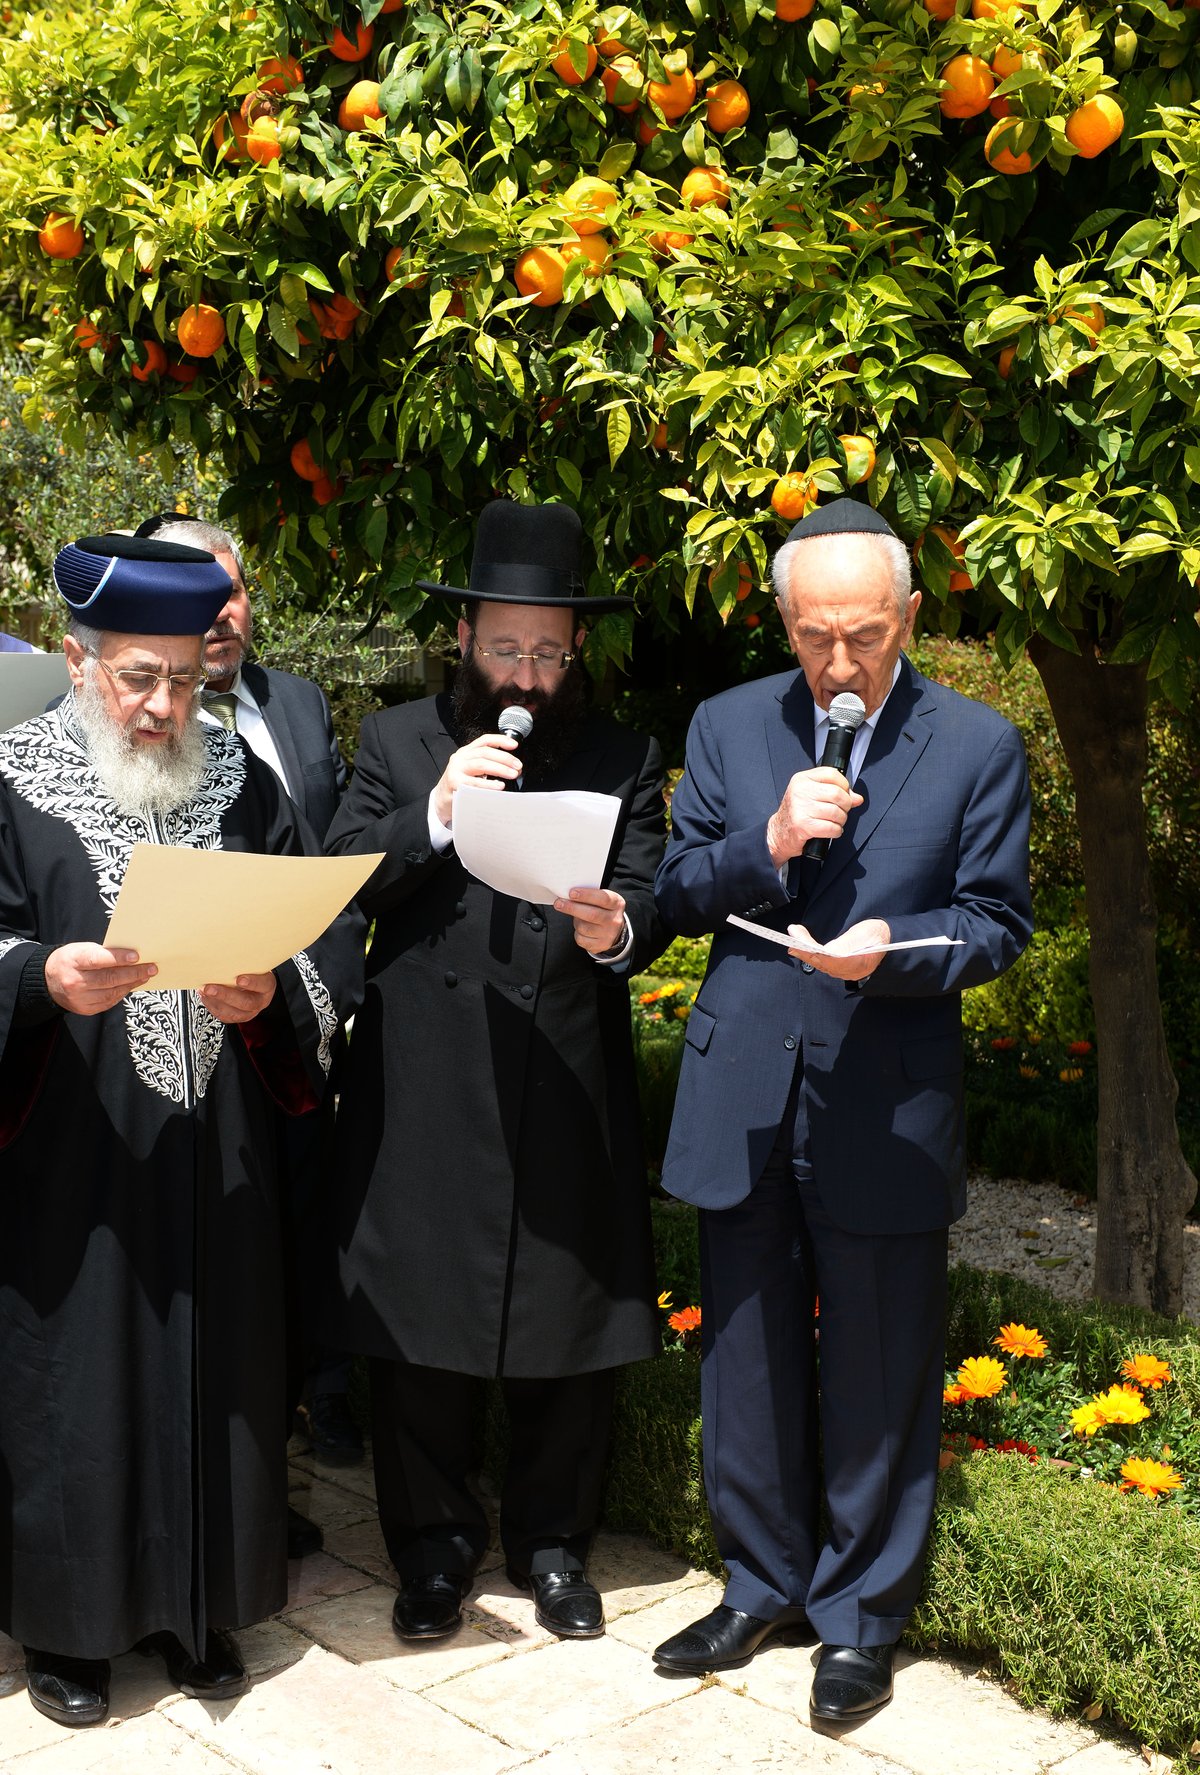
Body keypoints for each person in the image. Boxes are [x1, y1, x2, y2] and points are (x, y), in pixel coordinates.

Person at [651, 499, 1032, 1722]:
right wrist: (767, 841)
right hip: (745, 1082)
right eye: (814, 634)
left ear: (910, 617)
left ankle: (860, 1615)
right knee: (745, 1353)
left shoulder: (978, 744)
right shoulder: (727, 723)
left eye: (864, 633)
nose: (838, 662)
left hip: (885, 1092)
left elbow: (996, 922)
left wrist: (898, 951)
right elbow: (677, 887)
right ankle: (759, 1581)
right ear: (782, 620)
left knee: (877, 1361)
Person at [0, 533, 361, 1729]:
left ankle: (200, 1608)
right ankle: (70, 1628)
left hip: (216, 1151)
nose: (163, 707)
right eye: (135, 677)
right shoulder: (8, 777)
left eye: (185, 681)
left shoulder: (241, 785)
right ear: (76, 658)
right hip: (67, 1157)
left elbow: (313, 945)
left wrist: (273, 994)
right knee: (76, 1386)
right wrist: (39, 973)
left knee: (219, 1369)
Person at [324, 500, 667, 1643]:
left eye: (550, 652)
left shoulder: (624, 756)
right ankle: (430, 1552)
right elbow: (342, 878)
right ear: (463, 637)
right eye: (507, 646)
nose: (528, 670)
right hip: (424, 1075)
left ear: (578, 656)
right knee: (418, 1323)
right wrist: (433, 811)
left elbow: (652, 897)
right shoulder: (395, 744)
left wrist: (617, 926)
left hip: (561, 1074)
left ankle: (555, 1545)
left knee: (568, 1323)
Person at [135, 514, 361, 1517]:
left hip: (296, 1034)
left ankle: (263, 1488)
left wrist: (327, 998)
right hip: (158, 1063)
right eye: (195, 598)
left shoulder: (299, 705)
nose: (220, 616)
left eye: (231, 592)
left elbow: (333, 853)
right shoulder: (101, 728)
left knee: (288, 1260)